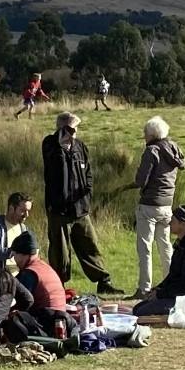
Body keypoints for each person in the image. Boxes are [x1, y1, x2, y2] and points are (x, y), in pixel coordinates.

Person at [41, 111, 114, 290]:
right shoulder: (50, 145)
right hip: (59, 209)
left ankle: (103, 281)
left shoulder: (80, 146)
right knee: (60, 251)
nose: (74, 133)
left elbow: (88, 171)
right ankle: (59, 286)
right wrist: (63, 145)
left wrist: (88, 192)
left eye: (75, 129)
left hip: (81, 208)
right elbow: (54, 166)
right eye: (71, 129)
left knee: (90, 245)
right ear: (62, 128)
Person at [127, 205, 185, 324]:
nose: (169, 223)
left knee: (142, 311)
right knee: (138, 308)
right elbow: (173, 276)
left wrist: (161, 294)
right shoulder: (183, 244)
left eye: (173, 221)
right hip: (182, 295)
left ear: (183, 225)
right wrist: (158, 289)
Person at [133, 116, 185, 296]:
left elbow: (141, 180)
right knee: (165, 246)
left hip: (149, 204)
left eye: (145, 133)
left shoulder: (152, 151)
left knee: (145, 248)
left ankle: (144, 288)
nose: (144, 137)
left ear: (151, 134)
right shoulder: (173, 148)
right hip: (167, 205)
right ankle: (171, 284)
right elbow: (183, 164)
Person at [11, 230, 72, 339]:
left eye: (15, 255)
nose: (14, 260)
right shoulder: (44, 267)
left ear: (23, 254)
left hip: (46, 323)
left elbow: (19, 301)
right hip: (62, 320)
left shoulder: (29, 273)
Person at [0, 192, 34, 258]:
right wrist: (12, 252)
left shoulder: (24, 230)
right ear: (11, 208)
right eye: (23, 210)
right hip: (0, 267)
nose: (27, 215)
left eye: (28, 211)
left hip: (21, 268)